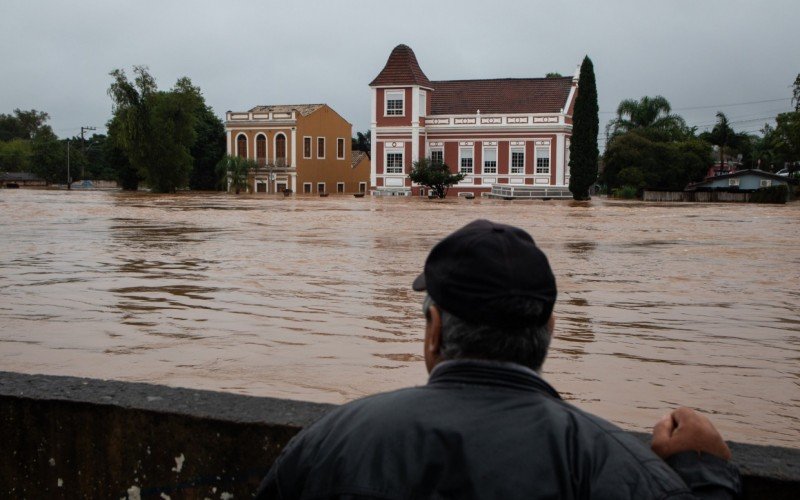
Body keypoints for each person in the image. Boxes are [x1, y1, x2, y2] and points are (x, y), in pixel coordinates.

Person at [256, 219, 741, 499]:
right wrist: (705, 474)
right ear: (549, 332)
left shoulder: (330, 443)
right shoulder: (615, 464)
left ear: (435, 331)